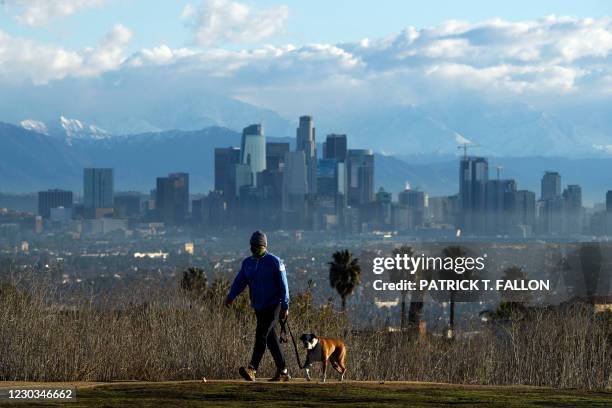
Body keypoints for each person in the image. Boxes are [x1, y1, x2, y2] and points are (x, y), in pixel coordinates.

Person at [224, 230, 290, 382]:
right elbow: (240, 281)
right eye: (252, 247)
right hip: (259, 306)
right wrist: (230, 296)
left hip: (274, 305)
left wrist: (285, 306)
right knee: (271, 339)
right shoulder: (247, 263)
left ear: (264, 247)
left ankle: (252, 368)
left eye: (258, 247)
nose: (254, 250)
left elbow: (284, 286)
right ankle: (283, 371)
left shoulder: (275, 262)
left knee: (261, 334)